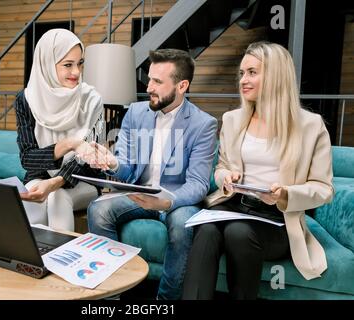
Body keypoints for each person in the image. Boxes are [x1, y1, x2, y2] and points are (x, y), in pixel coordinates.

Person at [182, 41, 334, 300]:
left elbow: (324, 189)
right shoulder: (232, 120)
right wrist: (225, 177)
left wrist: (285, 193)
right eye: (242, 73)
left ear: (275, 75)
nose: (243, 80)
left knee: (238, 232)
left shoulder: (311, 126)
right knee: (205, 229)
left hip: (277, 218)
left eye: (252, 72)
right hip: (233, 204)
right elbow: (221, 168)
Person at [81, 49, 218, 300]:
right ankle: (112, 295)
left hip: (177, 200)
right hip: (139, 193)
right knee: (97, 209)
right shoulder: (135, 112)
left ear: (182, 85)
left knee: (182, 225)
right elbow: (128, 169)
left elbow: (198, 184)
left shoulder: (203, 124)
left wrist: (168, 202)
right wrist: (111, 163)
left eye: (158, 81)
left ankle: (165, 301)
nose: (149, 87)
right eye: (149, 78)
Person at [14, 29, 105, 232]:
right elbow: (27, 158)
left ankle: (62, 260)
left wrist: (56, 182)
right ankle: (30, 261)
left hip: (83, 180)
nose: (76, 72)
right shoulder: (26, 99)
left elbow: (90, 161)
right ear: (46, 64)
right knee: (26, 205)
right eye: (67, 65)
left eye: (80, 63)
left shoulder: (92, 100)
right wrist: (69, 144)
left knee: (57, 197)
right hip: (39, 176)